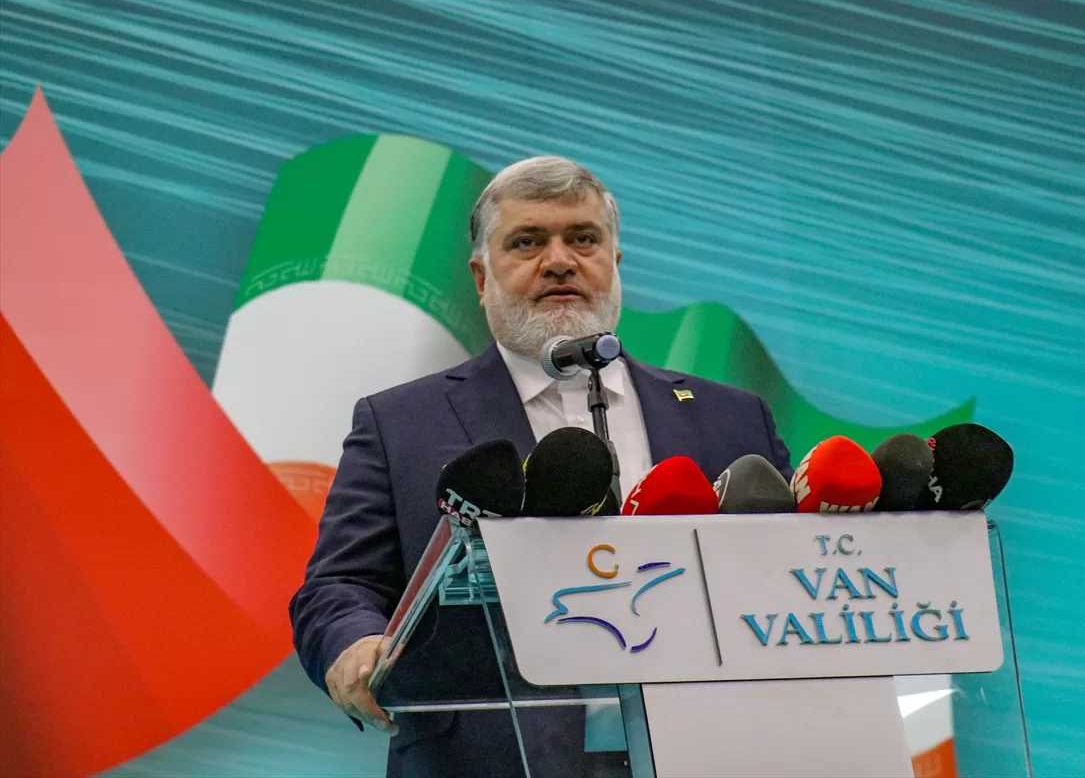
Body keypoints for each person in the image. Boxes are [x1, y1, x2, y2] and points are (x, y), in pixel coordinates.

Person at [289, 156, 793, 777]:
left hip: (714, 752)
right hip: (488, 758)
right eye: (527, 242)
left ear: (615, 261)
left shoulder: (731, 417)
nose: (559, 260)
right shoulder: (400, 423)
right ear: (481, 277)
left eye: (583, 239)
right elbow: (339, 586)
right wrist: (355, 644)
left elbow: (783, 573)